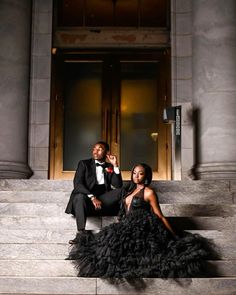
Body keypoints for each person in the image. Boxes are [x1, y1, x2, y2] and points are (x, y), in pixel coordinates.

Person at [67, 163, 208, 278]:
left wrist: (174, 235)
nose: (136, 176)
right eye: (134, 173)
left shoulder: (149, 192)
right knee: (103, 245)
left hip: (140, 227)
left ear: (146, 175)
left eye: (140, 173)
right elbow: (123, 210)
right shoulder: (129, 191)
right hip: (125, 224)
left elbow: (159, 215)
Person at [65, 141, 123, 244]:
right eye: (94, 149)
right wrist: (92, 197)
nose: (95, 152)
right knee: (79, 196)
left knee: (121, 191)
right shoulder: (84, 164)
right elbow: (78, 184)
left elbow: (118, 185)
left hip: (102, 202)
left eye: (99, 149)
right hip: (86, 202)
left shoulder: (109, 167)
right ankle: (81, 233)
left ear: (107, 152)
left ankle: (123, 222)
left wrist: (115, 166)